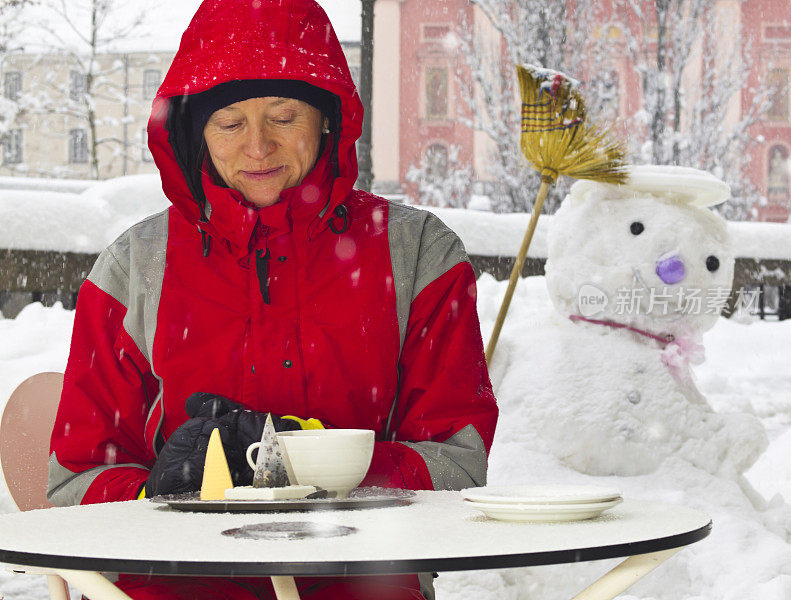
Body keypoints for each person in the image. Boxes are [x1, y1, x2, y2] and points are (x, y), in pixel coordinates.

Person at [47, 0, 498, 598]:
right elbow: (75, 481)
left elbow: (457, 463)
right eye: (230, 124)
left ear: (327, 120)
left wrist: (301, 464)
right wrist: (156, 490)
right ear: (195, 133)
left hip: (361, 580)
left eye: (284, 117)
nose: (257, 147)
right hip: (173, 585)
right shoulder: (133, 268)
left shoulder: (417, 254)